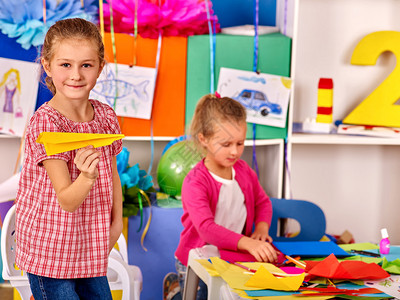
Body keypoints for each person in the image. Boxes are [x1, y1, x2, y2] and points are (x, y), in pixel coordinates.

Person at [15, 18, 123, 300]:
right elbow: (66, 199)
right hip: (50, 248)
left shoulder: (105, 116)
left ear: (100, 66)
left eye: (86, 65)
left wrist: (117, 222)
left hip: (89, 243)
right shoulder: (47, 123)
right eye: (66, 65)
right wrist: (87, 177)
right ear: (48, 66)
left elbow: (112, 173)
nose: (76, 75)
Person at [166, 93, 278, 299]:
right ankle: (174, 292)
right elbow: (207, 230)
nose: (235, 151)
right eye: (226, 144)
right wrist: (249, 243)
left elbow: (263, 202)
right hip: (197, 258)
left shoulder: (244, 171)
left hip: (231, 255)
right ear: (204, 139)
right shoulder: (195, 182)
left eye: (240, 143)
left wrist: (262, 228)